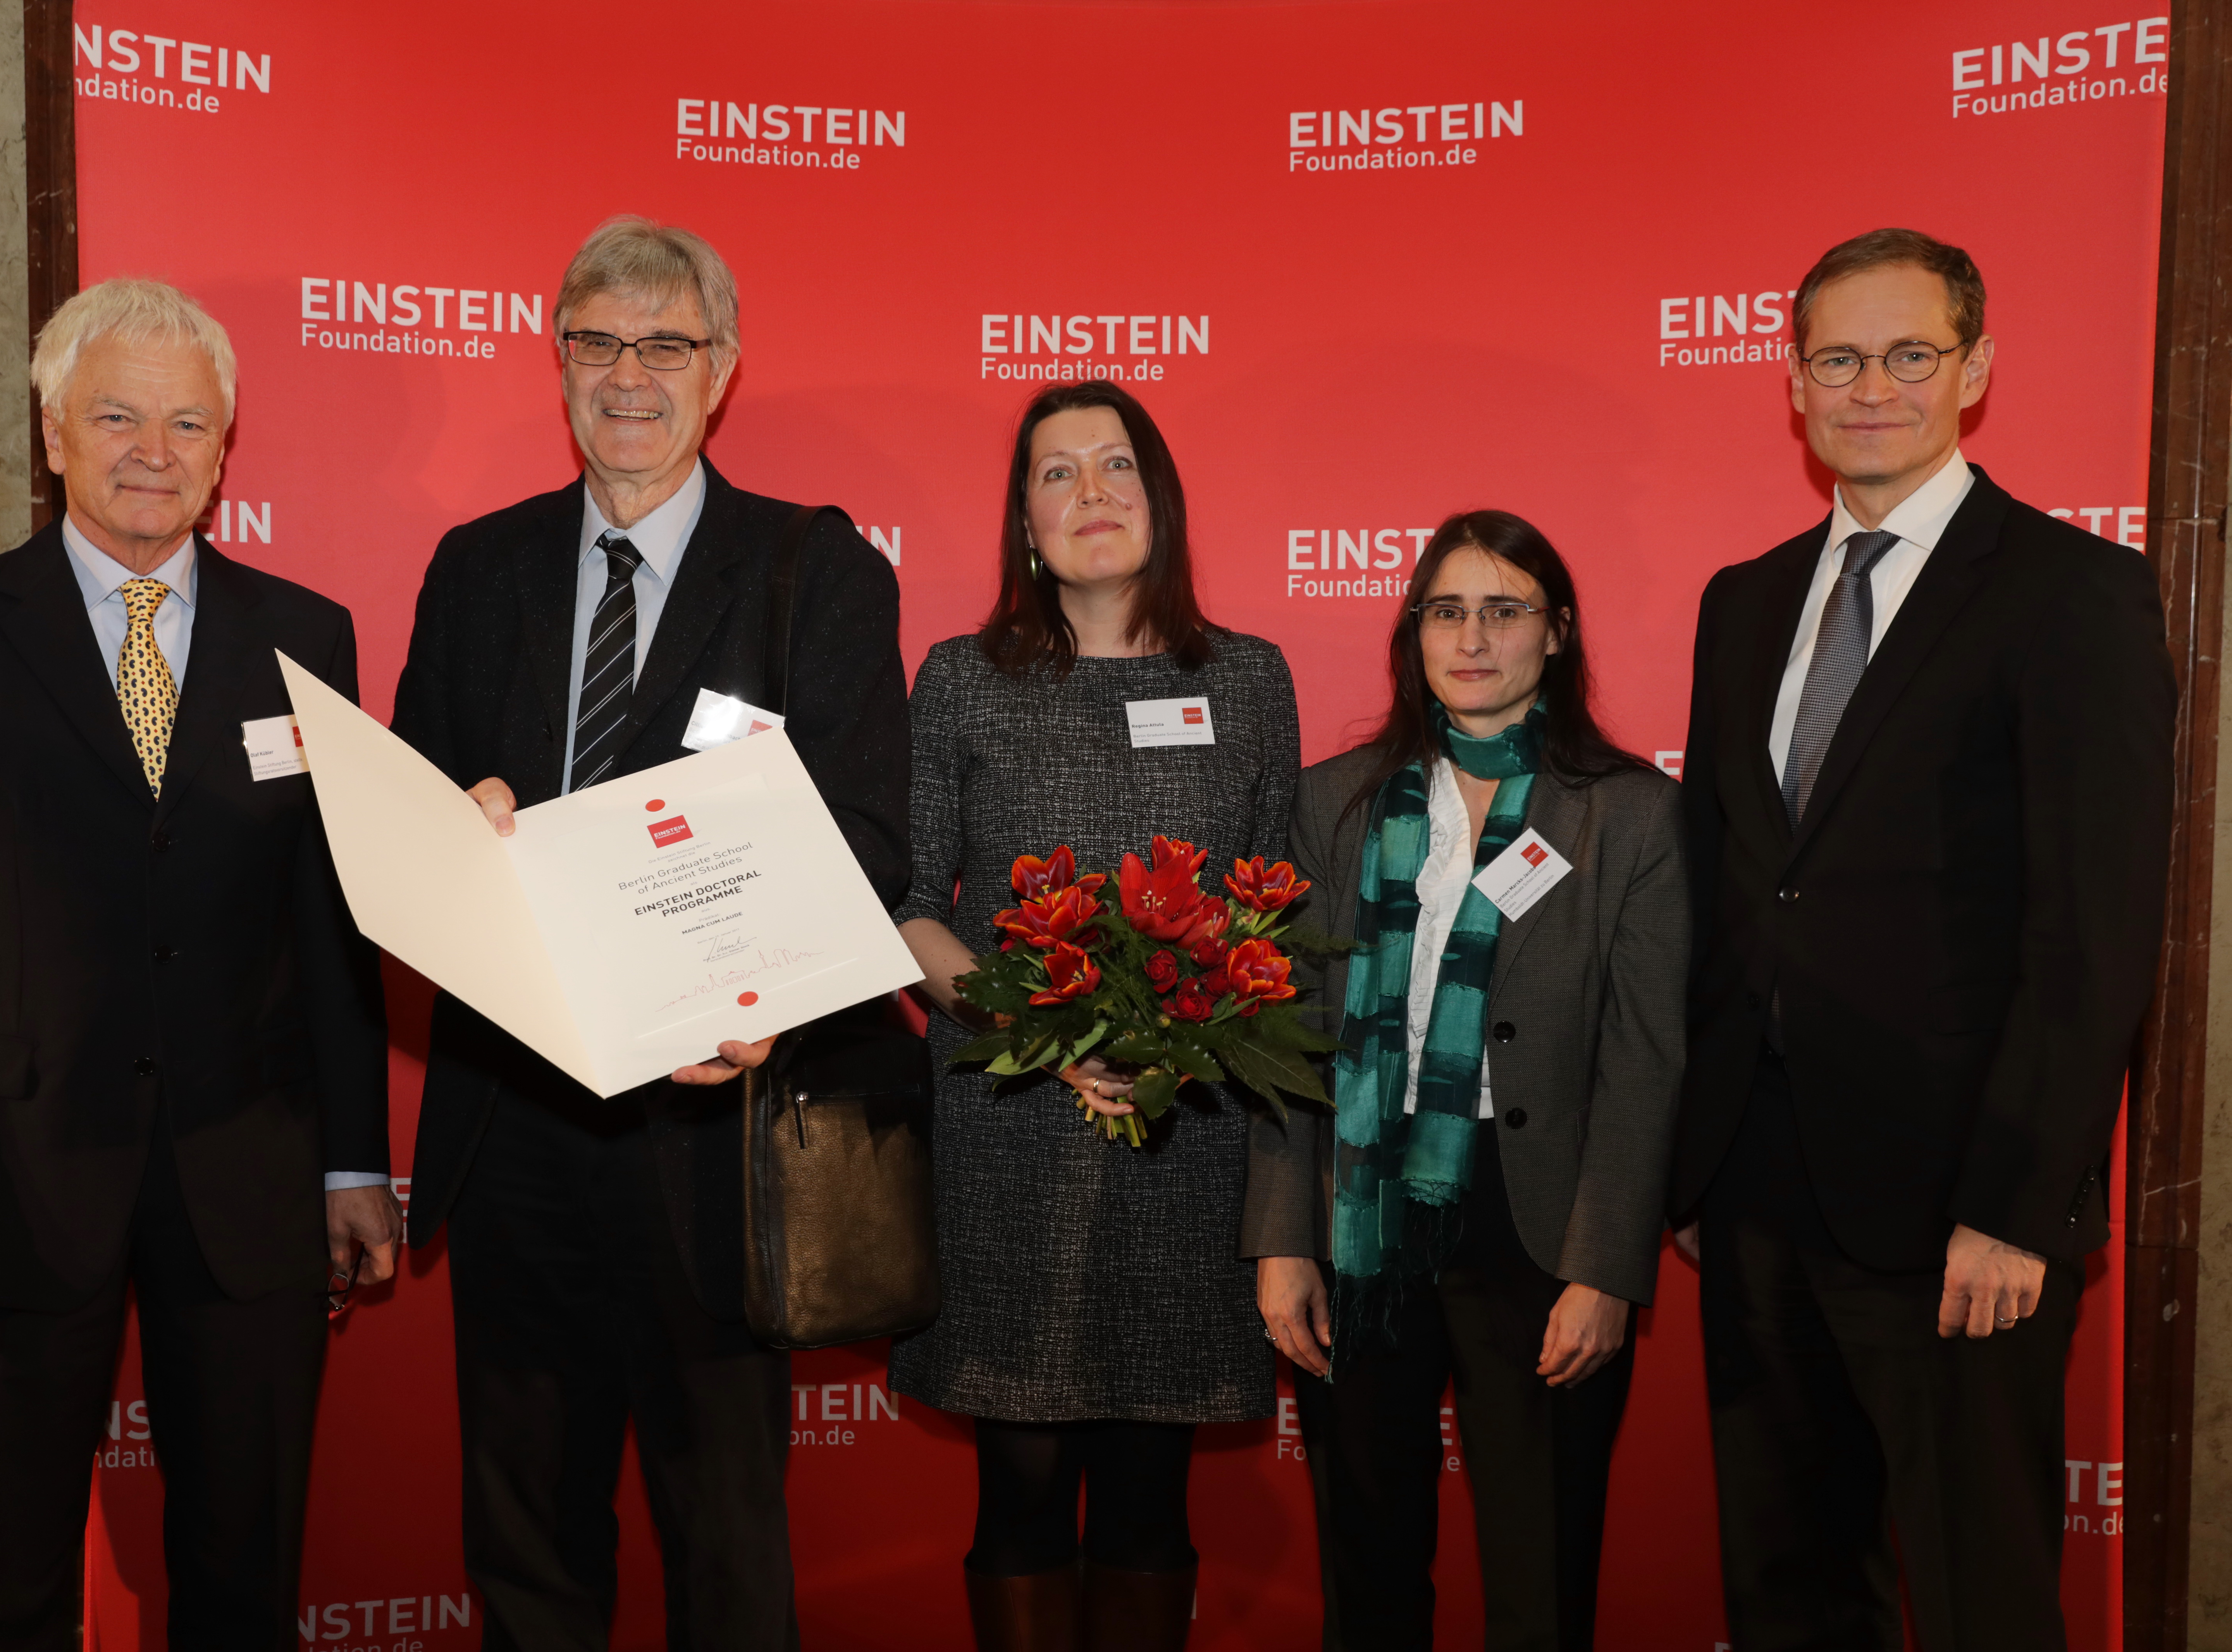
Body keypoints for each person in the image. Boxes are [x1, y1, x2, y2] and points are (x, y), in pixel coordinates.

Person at [0, 278, 397, 1650]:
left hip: (252, 1181)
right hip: (3, 1181)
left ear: (224, 450)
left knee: (244, 1581)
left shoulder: (306, 636)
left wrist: (352, 1161)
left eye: (187, 422)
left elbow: (333, 923)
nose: (154, 448)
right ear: (54, 436)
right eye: (119, 414)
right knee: (12, 1592)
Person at [388, 215, 907, 1652]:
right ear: (556, 365)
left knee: (726, 1547)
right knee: (524, 1548)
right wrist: (457, 821)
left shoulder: (816, 570)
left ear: (721, 369)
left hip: (713, 1141)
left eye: (664, 344)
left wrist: (758, 1001)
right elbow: (411, 822)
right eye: (596, 342)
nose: (629, 376)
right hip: (514, 1134)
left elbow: (867, 839)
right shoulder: (475, 567)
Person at [1669, 227, 2174, 1650]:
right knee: (1786, 1587)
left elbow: (2093, 928)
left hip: (1962, 1210)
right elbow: (1729, 886)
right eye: (1837, 358)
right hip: (1753, 1186)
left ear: (1976, 371)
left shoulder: (2070, 595)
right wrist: (1694, 1158)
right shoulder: (1744, 600)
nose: (1870, 387)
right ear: (1792, 386)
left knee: (1976, 1593)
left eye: (1908, 354)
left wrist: (2020, 1202)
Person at [888, 379, 1301, 1652]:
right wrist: (1046, 1036)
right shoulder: (960, 680)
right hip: (1010, 1122)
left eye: (1114, 467)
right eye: (1055, 474)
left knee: (1147, 1494)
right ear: (1024, 520)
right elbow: (909, 908)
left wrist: (1184, 1043)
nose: (1090, 495)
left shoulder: (1246, 678)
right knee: (1016, 1489)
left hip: (1192, 1138)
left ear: (1158, 499)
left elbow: (1272, 913)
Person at [1246, 511, 1686, 1648]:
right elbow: (1288, 1037)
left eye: (1504, 610)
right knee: (1369, 1549)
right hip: (1361, 1210)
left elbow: (1645, 1056)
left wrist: (1604, 1268)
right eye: (1446, 609)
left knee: (1538, 1564)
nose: (1473, 638)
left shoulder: (1630, 813)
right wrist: (1282, 1239)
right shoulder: (1333, 802)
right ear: (1413, 633)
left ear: (1558, 632)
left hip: (1533, 1220)